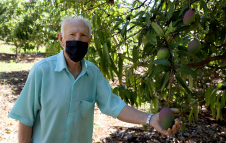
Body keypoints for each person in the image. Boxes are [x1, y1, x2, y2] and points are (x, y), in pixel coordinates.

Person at [8, 16, 180, 143]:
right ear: (61, 39)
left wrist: (151, 119)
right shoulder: (42, 71)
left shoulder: (93, 74)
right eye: (72, 34)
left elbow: (113, 105)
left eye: (83, 35)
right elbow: (25, 118)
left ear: (90, 40)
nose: (77, 39)